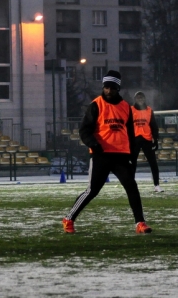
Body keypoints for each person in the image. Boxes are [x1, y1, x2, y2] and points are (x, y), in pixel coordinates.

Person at [62, 70, 152, 234]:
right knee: (92, 191)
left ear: (118, 88)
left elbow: (131, 134)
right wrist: (94, 145)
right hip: (101, 155)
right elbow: (84, 131)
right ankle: (69, 218)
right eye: (106, 87)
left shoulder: (126, 107)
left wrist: (132, 157)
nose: (108, 90)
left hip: (121, 156)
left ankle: (140, 223)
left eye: (111, 87)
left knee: (132, 187)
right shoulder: (96, 105)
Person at [130, 91, 163, 192]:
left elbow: (154, 126)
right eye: (138, 98)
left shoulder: (149, 110)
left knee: (153, 163)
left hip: (146, 139)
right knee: (132, 164)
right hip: (135, 140)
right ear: (135, 99)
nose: (140, 99)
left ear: (144, 99)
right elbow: (127, 126)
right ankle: (130, 185)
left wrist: (156, 139)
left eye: (142, 98)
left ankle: (157, 185)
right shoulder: (130, 110)